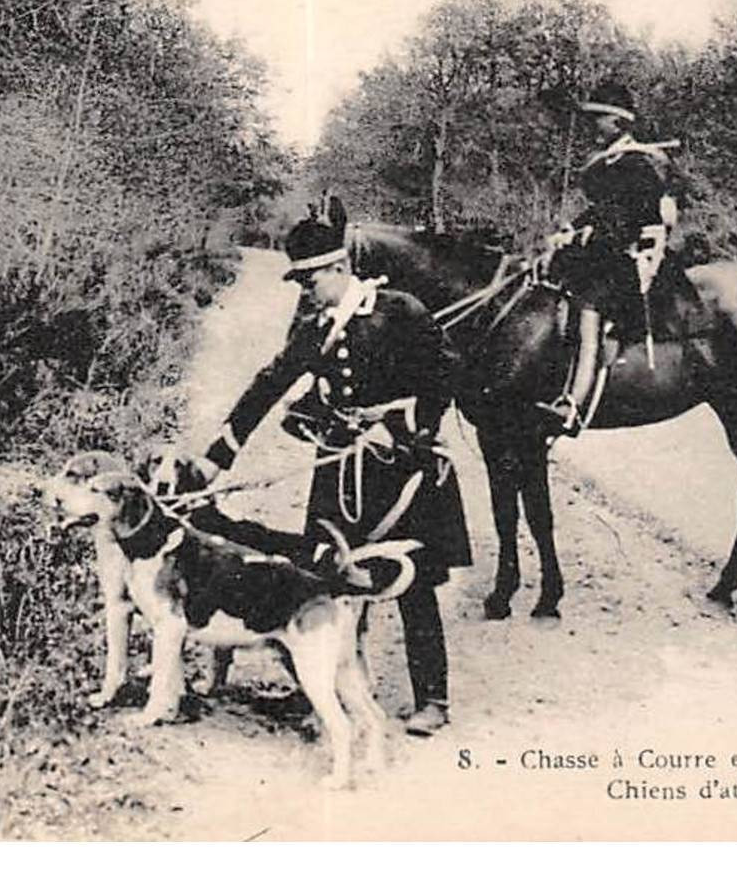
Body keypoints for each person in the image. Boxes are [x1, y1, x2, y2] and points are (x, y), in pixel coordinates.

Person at [187, 215, 471, 737]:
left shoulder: (400, 310)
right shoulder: (316, 329)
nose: (307, 292)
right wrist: (216, 457)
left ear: (340, 267)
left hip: (403, 467)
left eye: (312, 280)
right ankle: (323, 687)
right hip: (340, 466)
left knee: (412, 582)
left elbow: (446, 373)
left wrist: (402, 426)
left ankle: (433, 699)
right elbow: (267, 385)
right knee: (325, 575)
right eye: (300, 282)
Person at [537, 81, 678, 435]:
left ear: (617, 123)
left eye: (598, 119)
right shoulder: (610, 162)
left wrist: (585, 236)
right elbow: (599, 212)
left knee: (589, 309)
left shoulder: (637, 164)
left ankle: (573, 403)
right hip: (603, 255)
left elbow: (629, 219)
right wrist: (569, 228)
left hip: (626, 259)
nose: (592, 126)